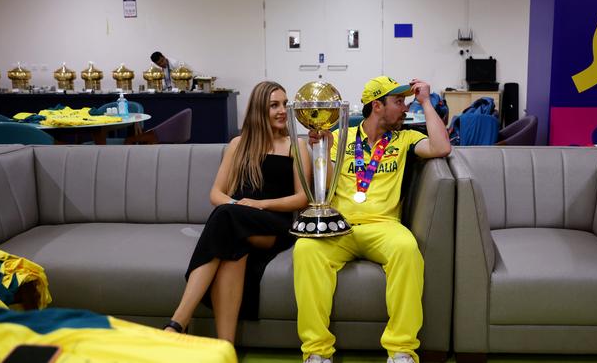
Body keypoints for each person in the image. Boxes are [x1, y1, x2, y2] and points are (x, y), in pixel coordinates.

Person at [294, 76, 451, 363]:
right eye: (398, 102)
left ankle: (401, 350)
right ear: (377, 106)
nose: (405, 108)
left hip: (384, 226)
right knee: (305, 249)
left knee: (407, 250)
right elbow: (325, 186)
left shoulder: (405, 139)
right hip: (340, 227)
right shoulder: (341, 137)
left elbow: (441, 147)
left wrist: (426, 102)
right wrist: (319, 151)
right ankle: (317, 352)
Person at [164, 81, 311, 344]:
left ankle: (178, 322)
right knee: (232, 241)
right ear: (258, 110)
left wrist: (259, 204)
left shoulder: (296, 146)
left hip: (276, 225)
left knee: (225, 218)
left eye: (284, 104)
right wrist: (239, 206)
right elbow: (216, 194)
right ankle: (226, 348)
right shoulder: (238, 144)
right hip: (240, 222)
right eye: (274, 105)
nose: (281, 110)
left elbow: (302, 199)